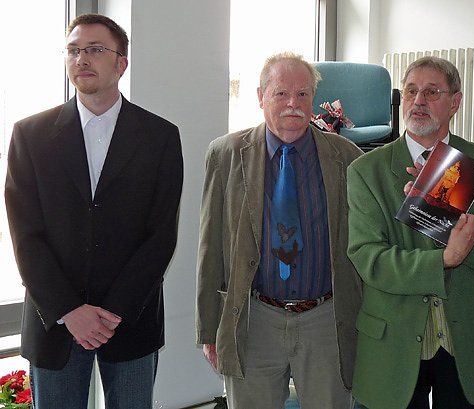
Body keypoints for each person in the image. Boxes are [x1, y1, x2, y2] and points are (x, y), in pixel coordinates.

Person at [4, 13, 183, 409]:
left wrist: (114, 311)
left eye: (96, 49)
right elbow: (25, 236)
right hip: (55, 321)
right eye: (73, 50)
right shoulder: (30, 135)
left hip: (130, 319)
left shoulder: (160, 137)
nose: (82, 58)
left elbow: (161, 235)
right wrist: (69, 310)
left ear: (121, 63)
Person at [346, 56, 474, 409]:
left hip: (466, 344)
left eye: (431, 92)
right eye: (411, 91)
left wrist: (444, 213)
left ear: (455, 102)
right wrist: (444, 259)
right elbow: (369, 259)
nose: (418, 101)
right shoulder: (366, 170)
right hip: (392, 344)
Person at [195, 52, 363, 409]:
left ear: (313, 99)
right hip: (254, 319)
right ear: (261, 97)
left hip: (325, 320)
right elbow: (210, 246)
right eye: (281, 93)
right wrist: (209, 329)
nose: (293, 104)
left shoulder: (346, 157)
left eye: (303, 94)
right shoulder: (226, 154)